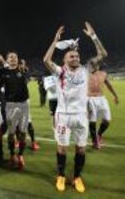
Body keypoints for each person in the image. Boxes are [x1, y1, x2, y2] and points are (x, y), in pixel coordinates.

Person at [43, 22, 107, 193]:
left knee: (81, 148)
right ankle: (61, 175)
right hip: (63, 115)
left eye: (77, 56)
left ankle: (77, 177)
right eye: (71, 56)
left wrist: (93, 36)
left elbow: (102, 54)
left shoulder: (86, 70)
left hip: (81, 116)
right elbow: (46, 60)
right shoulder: (60, 71)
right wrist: (55, 40)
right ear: (64, 59)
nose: (75, 58)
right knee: (62, 148)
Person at [88, 64, 118, 149]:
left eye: (95, 65)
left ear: (98, 66)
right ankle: (95, 142)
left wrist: (115, 96)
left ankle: (99, 134)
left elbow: (109, 85)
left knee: (107, 120)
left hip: (101, 99)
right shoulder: (85, 74)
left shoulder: (103, 74)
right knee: (92, 121)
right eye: (92, 65)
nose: (93, 67)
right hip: (89, 99)